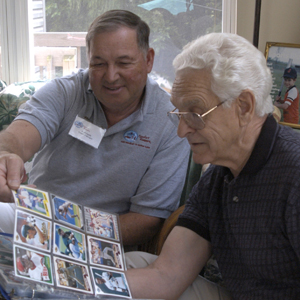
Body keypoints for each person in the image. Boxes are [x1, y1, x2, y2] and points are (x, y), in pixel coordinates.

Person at [124, 32, 300, 300]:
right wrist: (71, 280)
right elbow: (166, 275)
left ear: (244, 106)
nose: (182, 131)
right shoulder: (217, 177)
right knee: (133, 263)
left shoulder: (294, 174)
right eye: (179, 115)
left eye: (195, 113)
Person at [0, 10, 190, 246]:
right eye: (98, 63)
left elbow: (146, 221)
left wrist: (66, 235)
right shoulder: (64, 92)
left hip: (104, 244)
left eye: (124, 62)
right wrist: (6, 155)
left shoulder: (171, 122)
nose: (111, 76)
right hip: (34, 223)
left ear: (148, 59)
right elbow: (16, 138)